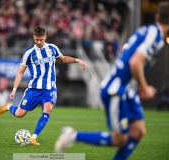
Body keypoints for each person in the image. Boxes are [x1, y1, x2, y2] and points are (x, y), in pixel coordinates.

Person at [55, 2, 169, 159]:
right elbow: (135, 62)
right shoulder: (154, 36)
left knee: (138, 131)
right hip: (116, 89)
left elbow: (128, 51)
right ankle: (73, 135)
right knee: (120, 139)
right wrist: (144, 87)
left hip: (127, 89)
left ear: (157, 16)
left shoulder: (147, 31)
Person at [0, 26, 87, 145]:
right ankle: (8, 107)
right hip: (34, 89)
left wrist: (77, 60)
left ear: (45, 37)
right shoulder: (29, 53)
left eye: (41, 39)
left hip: (49, 88)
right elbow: (20, 72)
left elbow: (63, 59)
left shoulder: (52, 48)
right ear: (34, 37)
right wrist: (14, 89)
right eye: (36, 39)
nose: (38, 42)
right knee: (19, 114)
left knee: (48, 108)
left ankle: (33, 138)